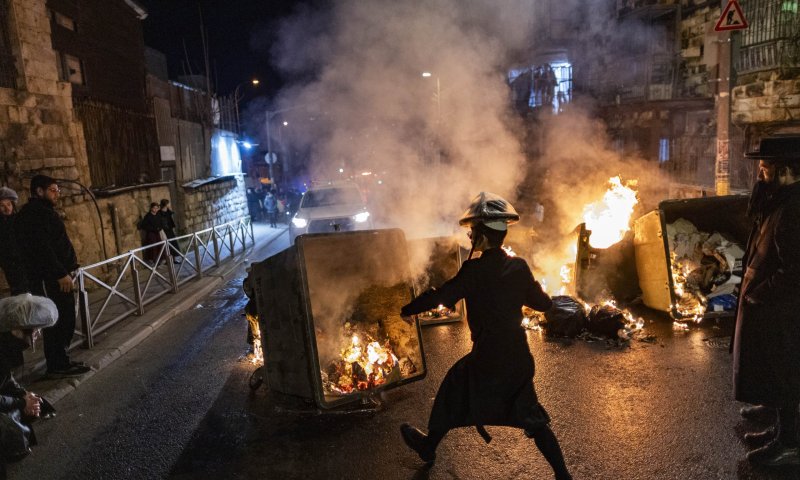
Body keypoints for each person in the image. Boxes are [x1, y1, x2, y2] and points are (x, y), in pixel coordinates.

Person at [399, 192, 572, 479]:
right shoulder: (518, 267)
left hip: (487, 358)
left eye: (472, 232)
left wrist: (409, 308)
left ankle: (429, 446)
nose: (469, 237)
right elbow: (543, 303)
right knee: (532, 418)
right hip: (518, 358)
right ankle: (563, 476)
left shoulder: (474, 270)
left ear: (481, 236)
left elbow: (442, 295)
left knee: (452, 391)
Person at [732, 134, 800, 467]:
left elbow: (794, 270)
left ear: (787, 169)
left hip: (783, 312)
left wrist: (761, 294)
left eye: (766, 167)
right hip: (771, 308)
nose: (760, 172)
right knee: (776, 374)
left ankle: (788, 446)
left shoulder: (794, 209)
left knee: (787, 378)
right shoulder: (779, 200)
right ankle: (778, 432)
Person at [14, 175, 90, 377]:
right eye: (53, 190)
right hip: (52, 279)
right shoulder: (34, 215)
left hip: (60, 275)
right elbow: (43, 249)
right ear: (39, 191)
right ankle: (57, 365)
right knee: (57, 320)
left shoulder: (44, 212)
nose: (57, 194)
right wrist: (59, 274)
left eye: (58, 190)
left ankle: (62, 360)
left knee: (65, 319)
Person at [0, 295, 57, 477]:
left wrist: (24, 395)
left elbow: (5, 379)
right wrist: (21, 403)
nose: (38, 334)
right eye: (35, 330)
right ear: (17, 330)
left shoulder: (6, 345)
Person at [0, 187, 28, 295]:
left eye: (9, 204)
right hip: (11, 265)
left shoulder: (20, 221)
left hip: (26, 263)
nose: (7, 208)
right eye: (2, 206)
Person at [159, 199, 181, 263]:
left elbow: (170, 218)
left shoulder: (168, 211)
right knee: (167, 245)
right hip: (165, 231)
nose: (169, 205)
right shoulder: (160, 213)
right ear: (165, 204)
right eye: (168, 203)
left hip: (170, 230)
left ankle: (173, 259)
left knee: (173, 244)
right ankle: (168, 260)